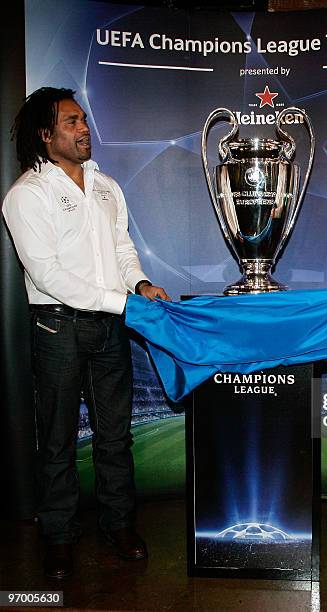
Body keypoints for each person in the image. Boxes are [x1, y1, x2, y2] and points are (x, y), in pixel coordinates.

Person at [2, 87, 170, 580]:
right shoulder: (26, 195)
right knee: (56, 439)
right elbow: (48, 275)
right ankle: (58, 535)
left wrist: (138, 282)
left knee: (115, 436)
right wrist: (123, 301)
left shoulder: (106, 186)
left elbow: (122, 248)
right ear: (44, 133)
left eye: (83, 121)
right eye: (71, 122)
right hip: (56, 326)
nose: (83, 129)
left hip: (109, 326)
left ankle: (119, 525)